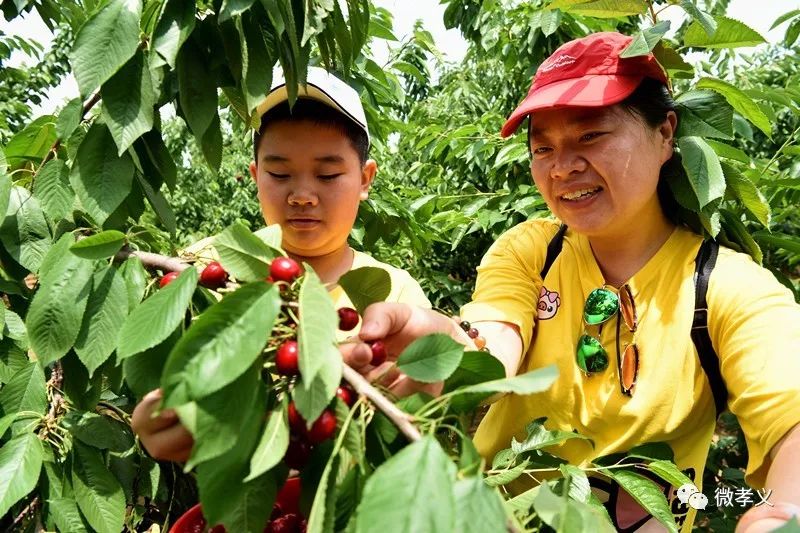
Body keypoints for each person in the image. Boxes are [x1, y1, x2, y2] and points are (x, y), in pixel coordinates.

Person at [342, 32, 800, 533]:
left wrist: (783, 511)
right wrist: (453, 348)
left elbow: (791, 412)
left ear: (665, 133)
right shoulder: (532, 251)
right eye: (543, 148)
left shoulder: (726, 289)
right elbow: (497, 335)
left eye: (591, 136)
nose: (562, 167)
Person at [132, 67, 431, 462]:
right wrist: (153, 424)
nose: (303, 195)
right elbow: (158, 385)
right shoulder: (204, 269)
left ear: (365, 178)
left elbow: (416, 420)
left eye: (327, 174)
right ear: (255, 175)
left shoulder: (396, 295)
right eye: (279, 173)